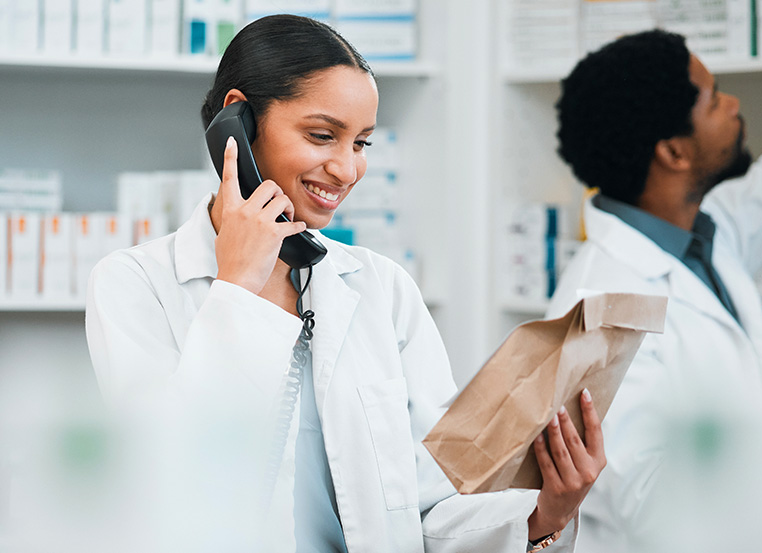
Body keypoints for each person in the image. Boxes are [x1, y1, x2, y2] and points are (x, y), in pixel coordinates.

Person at [86, 14, 606, 552]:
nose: (346, 169)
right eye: (322, 136)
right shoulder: (135, 284)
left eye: (360, 144)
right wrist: (238, 288)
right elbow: (165, 476)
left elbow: (429, 507)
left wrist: (541, 515)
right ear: (237, 121)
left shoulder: (384, 288)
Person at [546, 29, 762, 551]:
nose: (734, 104)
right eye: (715, 98)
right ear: (673, 151)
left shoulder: (703, 233)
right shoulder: (599, 312)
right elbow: (654, 508)